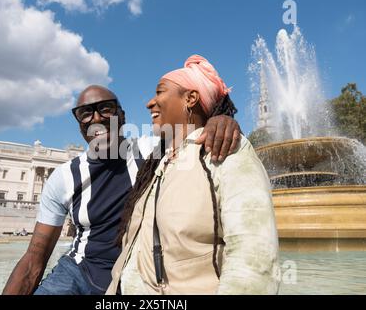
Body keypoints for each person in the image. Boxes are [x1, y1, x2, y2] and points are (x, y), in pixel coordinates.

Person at [2, 85, 242, 295]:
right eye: (86, 113)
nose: (96, 118)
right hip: (77, 274)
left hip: (137, 273)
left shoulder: (151, 151)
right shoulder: (63, 177)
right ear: (79, 126)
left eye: (105, 108)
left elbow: (193, 131)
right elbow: (35, 257)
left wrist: (219, 121)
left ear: (122, 116)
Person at [106, 55, 280, 295]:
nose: (149, 103)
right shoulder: (157, 165)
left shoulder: (227, 152)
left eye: (160, 92)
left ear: (191, 98)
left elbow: (254, 260)